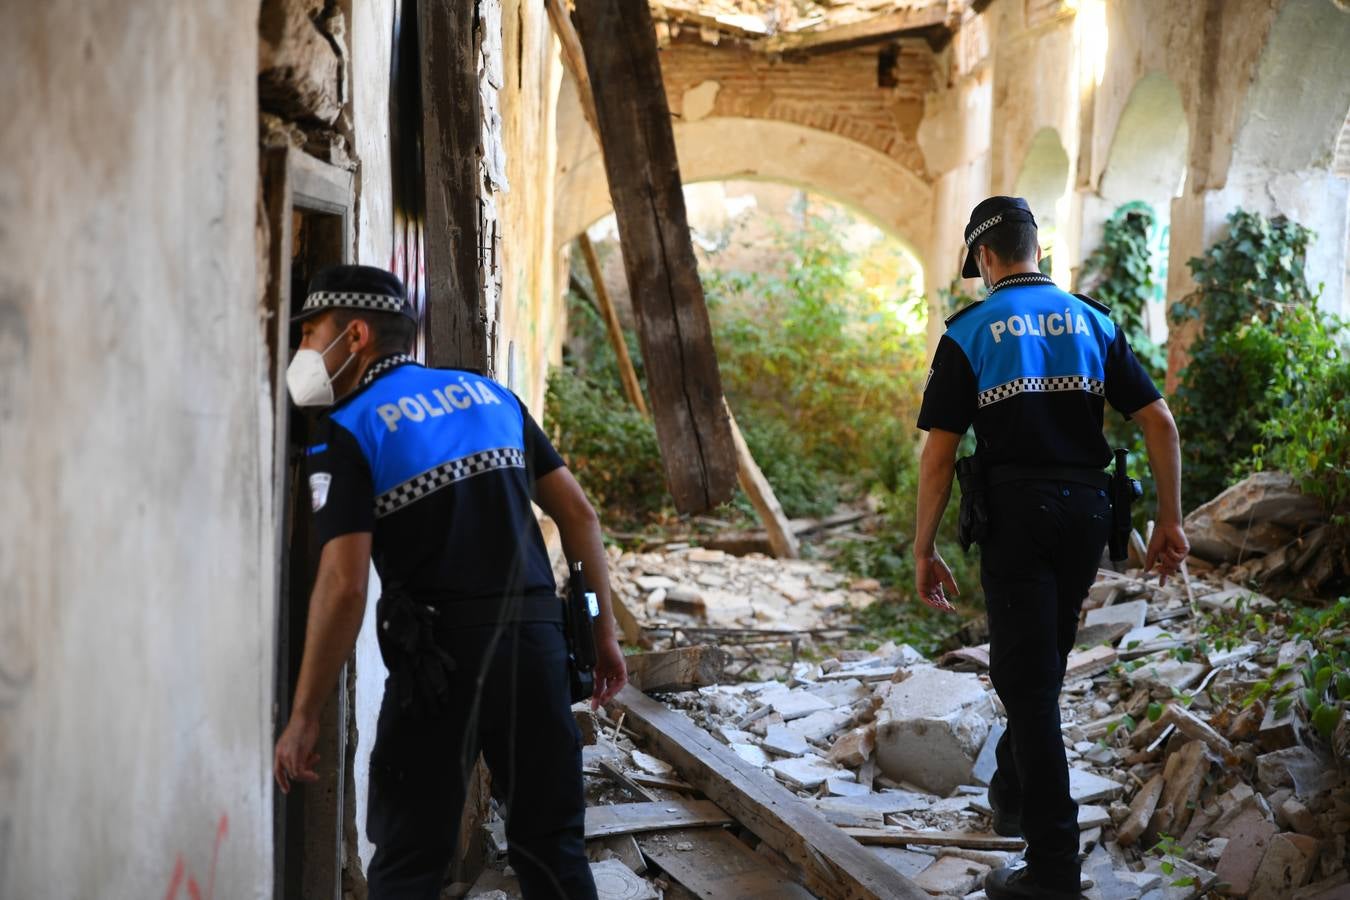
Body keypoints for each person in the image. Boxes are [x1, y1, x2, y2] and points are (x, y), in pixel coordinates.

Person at [272, 264, 627, 899]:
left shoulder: (349, 428)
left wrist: (303, 715)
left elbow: (345, 585)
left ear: (353, 336)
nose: (302, 351)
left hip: (440, 666)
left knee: (410, 861)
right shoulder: (493, 397)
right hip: (538, 649)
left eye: (309, 333)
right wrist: (603, 629)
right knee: (552, 849)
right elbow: (580, 514)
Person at [911, 197, 1188, 899]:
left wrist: (924, 546)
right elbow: (1158, 421)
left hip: (1018, 517)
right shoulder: (1093, 320)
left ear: (984, 259)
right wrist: (1170, 521)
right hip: (1088, 516)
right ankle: (1012, 790)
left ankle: (1054, 870)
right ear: (1038, 249)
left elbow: (940, 455)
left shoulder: (971, 331)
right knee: (1039, 672)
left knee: (1028, 686)